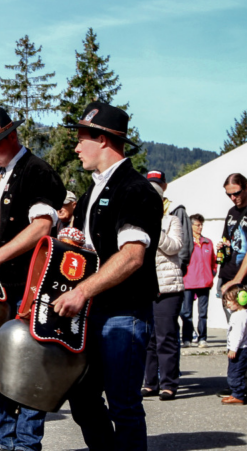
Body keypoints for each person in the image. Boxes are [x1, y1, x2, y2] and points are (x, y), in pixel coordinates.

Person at [53, 101, 162, 451]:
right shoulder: (90, 193)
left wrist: (81, 292)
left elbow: (132, 257)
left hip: (124, 314)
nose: (75, 146)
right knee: (82, 399)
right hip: (96, 312)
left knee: (124, 406)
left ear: (102, 140)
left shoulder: (136, 188)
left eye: (81, 138)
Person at [0, 108, 66, 451]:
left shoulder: (38, 171)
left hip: (29, 282)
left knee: (27, 362)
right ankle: (4, 439)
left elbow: (41, 228)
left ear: (12, 136)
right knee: (0, 363)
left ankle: (25, 443)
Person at [142, 182, 184, 401]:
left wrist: (153, 229)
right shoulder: (137, 223)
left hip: (168, 287)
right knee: (148, 338)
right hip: (146, 286)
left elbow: (175, 246)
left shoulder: (171, 221)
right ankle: (150, 383)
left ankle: (169, 384)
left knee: (165, 336)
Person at [180, 214, 217, 348]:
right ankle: (187, 338)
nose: (200, 227)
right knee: (186, 312)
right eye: (197, 225)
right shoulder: (185, 243)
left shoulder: (208, 242)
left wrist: (212, 274)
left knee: (203, 313)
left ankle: (202, 338)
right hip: (189, 282)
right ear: (191, 226)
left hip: (204, 283)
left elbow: (214, 261)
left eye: (201, 225)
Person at [147, 170, 193, 274]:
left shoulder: (176, 210)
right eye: (150, 184)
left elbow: (185, 240)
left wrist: (181, 265)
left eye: (158, 184)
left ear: (165, 186)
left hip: (171, 270)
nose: (154, 187)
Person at [217, 173, 247, 321]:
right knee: (234, 326)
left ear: (246, 188)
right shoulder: (231, 212)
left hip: (242, 280)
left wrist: (237, 279)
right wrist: (223, 247)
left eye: (236, 193)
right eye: (229, 195)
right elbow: (227, 239)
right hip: (227, 275)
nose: (233, 198)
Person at [221, 287, 247, 405]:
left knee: (234, 373)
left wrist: (233, 349)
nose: (227, 303)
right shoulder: (239, 314)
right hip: (240, 348)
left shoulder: (239, 316)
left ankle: (238, 395)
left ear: (241, 300)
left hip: (239, 349)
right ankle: (237, 393)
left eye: (230, 300)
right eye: (226, 301)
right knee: (238, 372)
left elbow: (238, 334)